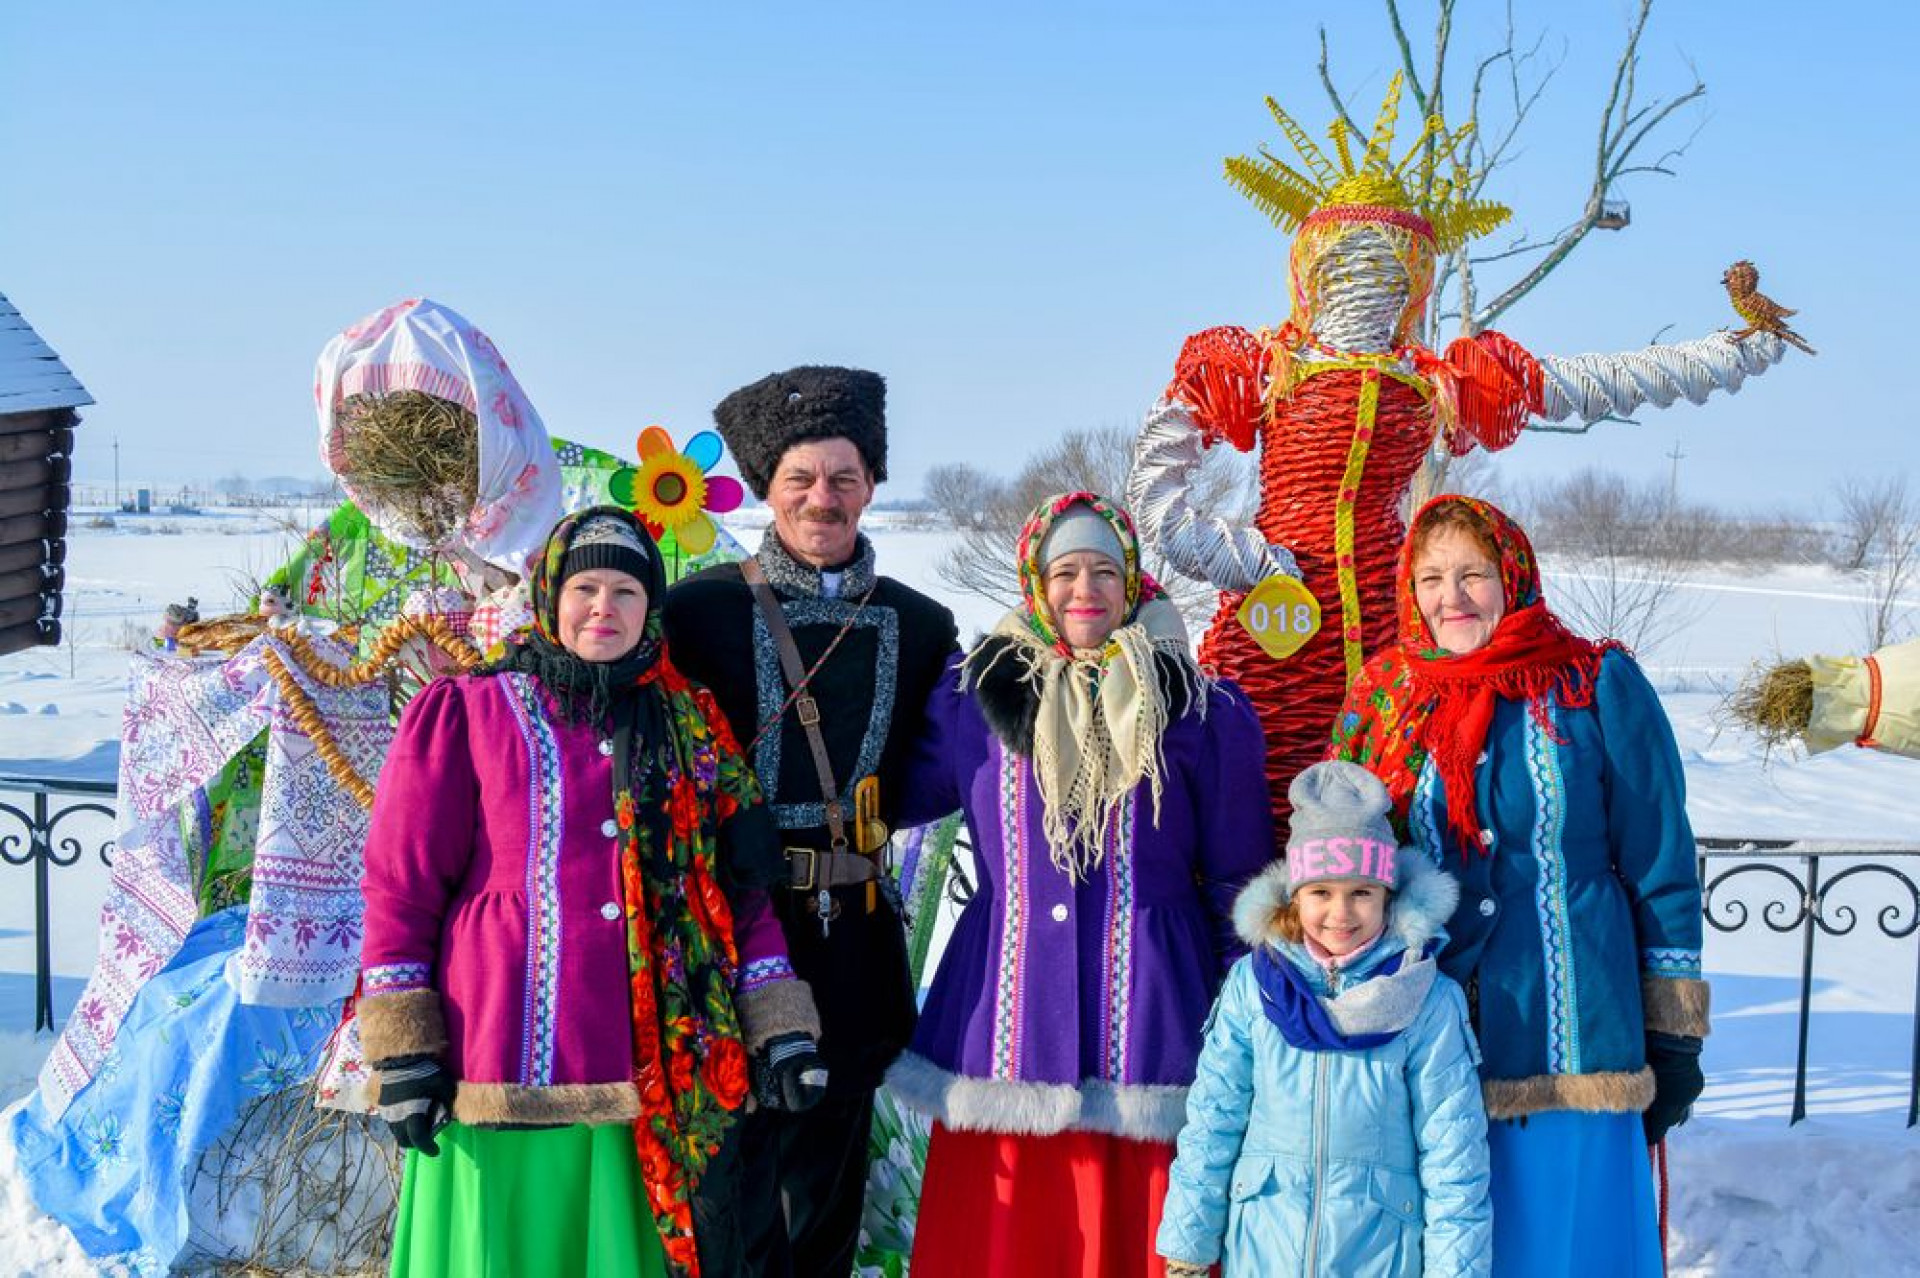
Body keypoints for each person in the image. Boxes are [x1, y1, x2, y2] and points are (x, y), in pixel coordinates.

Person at [358, 507, 826, 1278]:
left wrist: (780, 1024)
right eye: (585, 588)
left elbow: (739, 897)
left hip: (650, 1069)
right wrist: (405, 1047)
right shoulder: (470, 711)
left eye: (625, 592)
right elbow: (402, 885)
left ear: (651, 611)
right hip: (498, 1055)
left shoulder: (694, 727)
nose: (603, 608)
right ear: (550, 597)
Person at [883, 491, 1274, 1278]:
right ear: (1036, 583)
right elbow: (890, 792)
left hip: (1154, 1015)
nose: (1084, 589)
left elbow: (1240, 880)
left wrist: (1249, 1017)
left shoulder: (1199, 709)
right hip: (1005, 1013)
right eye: (1065, 572)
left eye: (1104, 570)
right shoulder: (974, 700)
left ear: (1132, 584)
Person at [1329, 494, 1710, 1276]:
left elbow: (1660, 856)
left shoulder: (1593, 683)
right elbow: (1344, 860)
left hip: (1577, 1036)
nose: (1451, 597)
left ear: (1512, 577)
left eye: (1473, 574)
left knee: (1565, 1245)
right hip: (1430, 1040)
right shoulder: (1386, 695)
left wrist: (1672, 1033)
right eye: (1432, 577)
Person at [662, 366, 960, 1277]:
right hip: (730, 928)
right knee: (730, 1175)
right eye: (800, 479)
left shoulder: (922, 625)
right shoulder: (697, 611)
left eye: (841, 478)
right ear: (767, 490)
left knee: (829, 1179)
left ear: (871, 485)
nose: (821, 499)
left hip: (852, 937)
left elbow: (948, 762)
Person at [1156, 760, 1490, 1277]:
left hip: (1379, 1253)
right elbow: (1213, 1119)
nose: (1341, 913)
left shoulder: (1425, 998)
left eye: (1362, 892)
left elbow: (1454, 1157)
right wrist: (1188, 1246)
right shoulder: (1254, 985)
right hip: (1266, 1243)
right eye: (1321, 892)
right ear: (1295, 896)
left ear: (1388, 896)